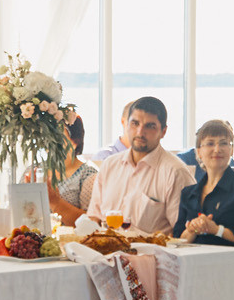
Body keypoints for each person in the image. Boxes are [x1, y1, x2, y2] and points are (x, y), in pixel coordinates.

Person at [83, 96, 194, 233]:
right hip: (105, 245)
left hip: (152, 247)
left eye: (150, 126)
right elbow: (94, 217)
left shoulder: (175, 172)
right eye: (135, 123)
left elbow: (183, 233)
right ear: (126, 124)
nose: (140, 132)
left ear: (163, 132)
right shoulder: (109, 165)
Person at [174, 120, 234, 251]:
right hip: (191, 261)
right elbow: (176, 241)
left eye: (223, 143)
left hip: (230, 262)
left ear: (231, 150)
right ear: (198, 152)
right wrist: (192, 229)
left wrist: (217, 230)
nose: (217, 149)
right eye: (210, 143)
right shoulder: (188, 193)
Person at [46, 115, 96, 225]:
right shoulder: (33, 171)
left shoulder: (88, 175)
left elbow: (92, 223)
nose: (50, 142)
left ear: (74, 142)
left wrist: (56, 203)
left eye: (57, 137)